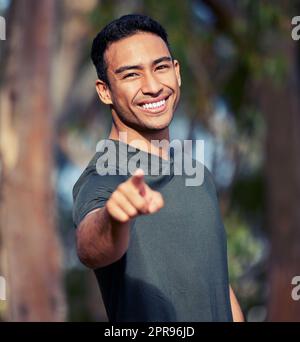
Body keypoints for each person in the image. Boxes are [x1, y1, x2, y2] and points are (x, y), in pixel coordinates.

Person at [72, 14, 244, 322]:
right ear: (104, 91)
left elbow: (216, 282)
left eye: (160, 67)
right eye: (131, 75)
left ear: (176, 72)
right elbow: (89, 246)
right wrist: (114, 217)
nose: (153, 87)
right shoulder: (105, 175)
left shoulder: (197, 174)